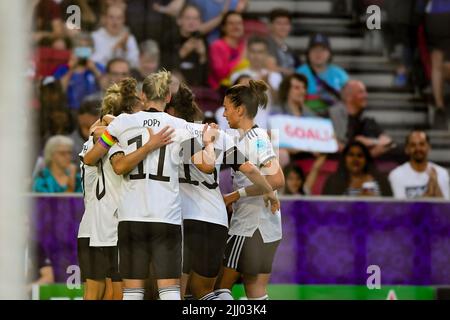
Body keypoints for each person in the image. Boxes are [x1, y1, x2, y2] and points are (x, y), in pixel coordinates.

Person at [83, 70, 219, 300]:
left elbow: (91, 157)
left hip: (130, 217)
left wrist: (104, 127)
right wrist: (208, 144)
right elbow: (207, 167)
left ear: (143, 95)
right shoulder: (179, 126)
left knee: (132, 291)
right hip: (166, 216)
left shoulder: (122, 124)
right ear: (167, 97)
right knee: (169, 290)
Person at [165, 83, 278, 300]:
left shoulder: (173, 135)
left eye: (226, 108)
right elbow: (250, 169)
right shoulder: (222, 137)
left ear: (171, 110)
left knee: (177, 292)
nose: (223, 113)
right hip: (216, 221)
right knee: (206, 292)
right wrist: (269, 191)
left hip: (185, 219)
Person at [215, 80, 285, 300]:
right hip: (265, 225)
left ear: (240, 109)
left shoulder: (256, 140)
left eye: (226, 108)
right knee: (255, 292)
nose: (224, 114)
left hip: (250, 226)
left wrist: (235, 195)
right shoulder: (246, 139)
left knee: (219, 288)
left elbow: (276, 178)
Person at [329, 80, 393, 158]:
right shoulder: (331, 116)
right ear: (349, 97)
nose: (366, 95)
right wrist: (364, 153)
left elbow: (388, 141)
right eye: (361, 92)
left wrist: (370, 142)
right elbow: (335, 144)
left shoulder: (365, 118)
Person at [296, 33, 349, 115]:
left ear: (329, 53)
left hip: (334, 118)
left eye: (323, 50)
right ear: (308, 53)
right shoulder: (299, 73)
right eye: (314, 49)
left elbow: (348, 101)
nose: (318, 53)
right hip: (306, 119)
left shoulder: (340, 75)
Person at [388, 130, 450, 199]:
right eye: (413, 145)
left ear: (429, 147)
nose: (418, 148)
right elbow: (403, 208)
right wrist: (429, 192)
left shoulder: (441, 173)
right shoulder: (396, 174)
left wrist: (435, 184)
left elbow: (445, 207)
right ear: (407, 149)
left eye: (422, 144)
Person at [54, 32, 105, 110]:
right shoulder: (63, 69)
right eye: (79, 46)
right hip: (69, 111)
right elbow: (58, 91)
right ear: (72, 50)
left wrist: (94, 70)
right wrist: (71, 69)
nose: (83, 50)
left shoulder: (98, 67)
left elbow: (106, 88)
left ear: (92, 50)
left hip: (94, 111)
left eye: (86, 47)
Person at [160, 3, 208, 86]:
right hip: (172, 86)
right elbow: (163, 68)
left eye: (196, 18)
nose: (192, 22)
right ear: (179, 20)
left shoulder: (202, 40)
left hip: (196, 87)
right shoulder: (169, 38)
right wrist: (183, 52)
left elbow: (205, 78)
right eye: (188, 18)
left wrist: (202, 56)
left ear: (200, 22)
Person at [322, 141, 392, 196]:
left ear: (366, 160)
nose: (355, 159)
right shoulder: (333, 181)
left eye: (360, 155)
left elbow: (390, 207)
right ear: (344, 159)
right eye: (351, 155)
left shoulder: (381, 180)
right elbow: (326, 208)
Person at [424, 0, 450, 128]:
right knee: (440, 63)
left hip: (434, 14)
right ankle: (440, 106)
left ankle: (440, 106)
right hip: (439, 14)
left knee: (437, 63)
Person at [208, 11, 248, 91]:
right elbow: (220, 73)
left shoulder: (245, 44)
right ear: (223, 27)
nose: (236, 27)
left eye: (239, 23)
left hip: (244, 85)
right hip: (222, 89)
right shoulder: (217, 46)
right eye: (231, 23)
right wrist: (240, 59)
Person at [266, 8, 299, 76]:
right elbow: (271, 68)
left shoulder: (288, 48)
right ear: (270, 25)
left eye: (286, 23)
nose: (283, 27)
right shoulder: (267, 44)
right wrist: (292, 72)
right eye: (279, 23)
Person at [69, 100, 100, 166]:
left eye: (99, 114)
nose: (97, 117)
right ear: (80, 117)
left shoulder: (104, 136)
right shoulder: (70, 142)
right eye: (93, 114)